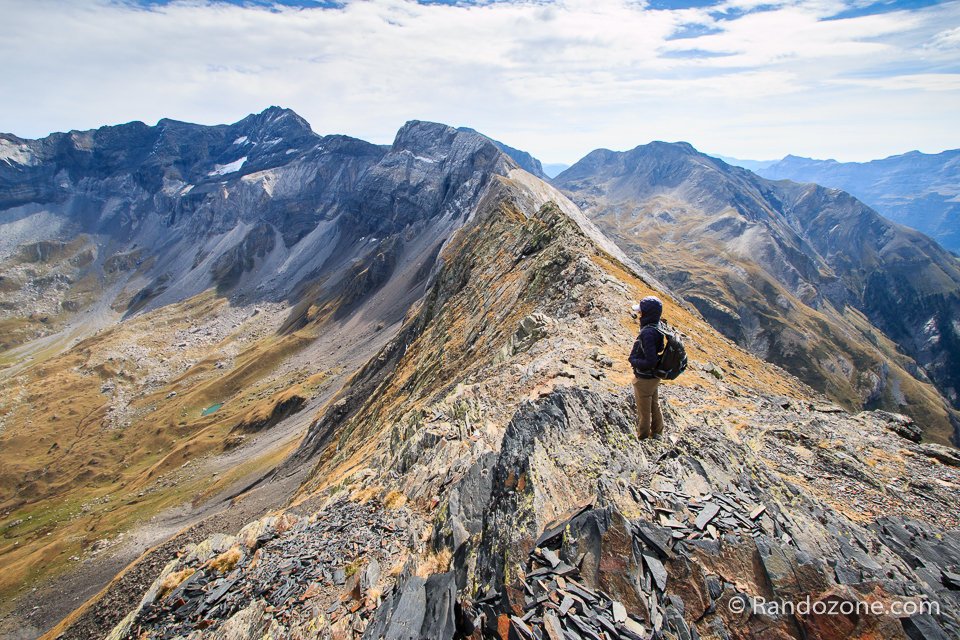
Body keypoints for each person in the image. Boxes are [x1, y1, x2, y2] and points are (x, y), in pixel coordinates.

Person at [629, 296, 665, 439]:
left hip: (645, 378)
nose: (639, 315)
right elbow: (660, 348)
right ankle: (657, 432)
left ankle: (642, 436)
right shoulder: (657, 328)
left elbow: (650, 360)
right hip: (654, 376)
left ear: (647, 314)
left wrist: (633, 360)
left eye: (641, 312)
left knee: (644, 410)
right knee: (654, 405)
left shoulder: (647, 333)